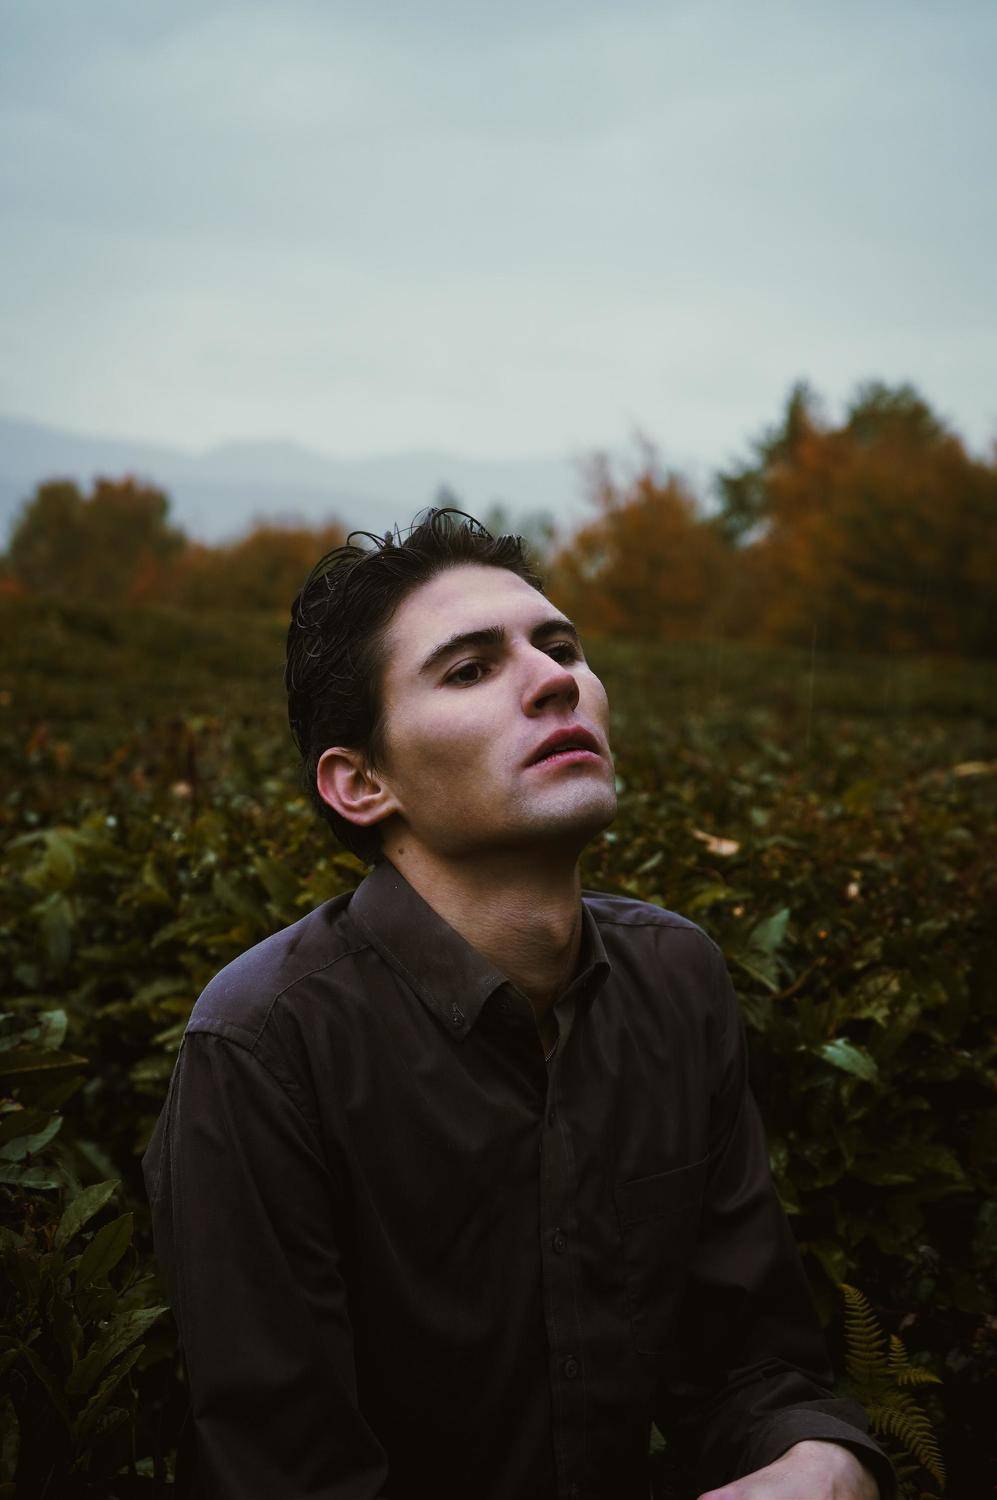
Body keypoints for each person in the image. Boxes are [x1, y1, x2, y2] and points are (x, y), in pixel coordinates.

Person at [142, 507, 897, 1500]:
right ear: (360, 783)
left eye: (562, 648)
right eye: (469, 669)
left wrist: (821, 1459)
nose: (554, 680)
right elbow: (289, 1475)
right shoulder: (263, 1047)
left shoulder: (677, 979)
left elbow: (748, 1366)